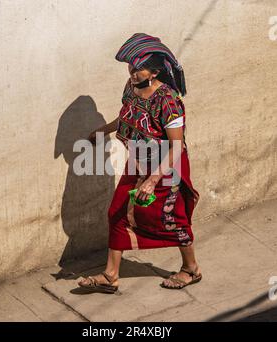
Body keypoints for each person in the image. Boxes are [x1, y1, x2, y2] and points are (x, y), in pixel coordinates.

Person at [78, 33, 201, 293]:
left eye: (138, 69)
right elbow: (126, 115)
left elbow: (175, 147)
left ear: (154, 72)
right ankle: (111, 275)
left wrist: (154, 179)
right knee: (117, 212)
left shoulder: (168, 102)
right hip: (138, 161)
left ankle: (191, 268)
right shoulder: (131, 87)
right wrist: (103, 130)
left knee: (172, 217)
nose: (132, 73)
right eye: (131, 68)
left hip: (167, 166)